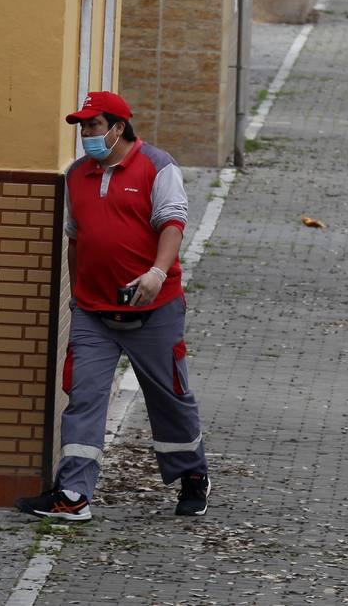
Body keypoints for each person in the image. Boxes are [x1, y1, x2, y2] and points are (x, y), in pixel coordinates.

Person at [15, 91, 210, 522]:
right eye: (82, 127)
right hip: (93, 311)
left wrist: (157, 273)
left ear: (119, 128)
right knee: (83, 397)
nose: (86, 134)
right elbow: (75, 238)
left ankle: (192, 475)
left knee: (170, 398)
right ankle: (73, 495)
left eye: (93, 126)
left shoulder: (158, 167)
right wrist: (77, 296)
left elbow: (173, 224)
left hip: (154, 309)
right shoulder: (77, 175)